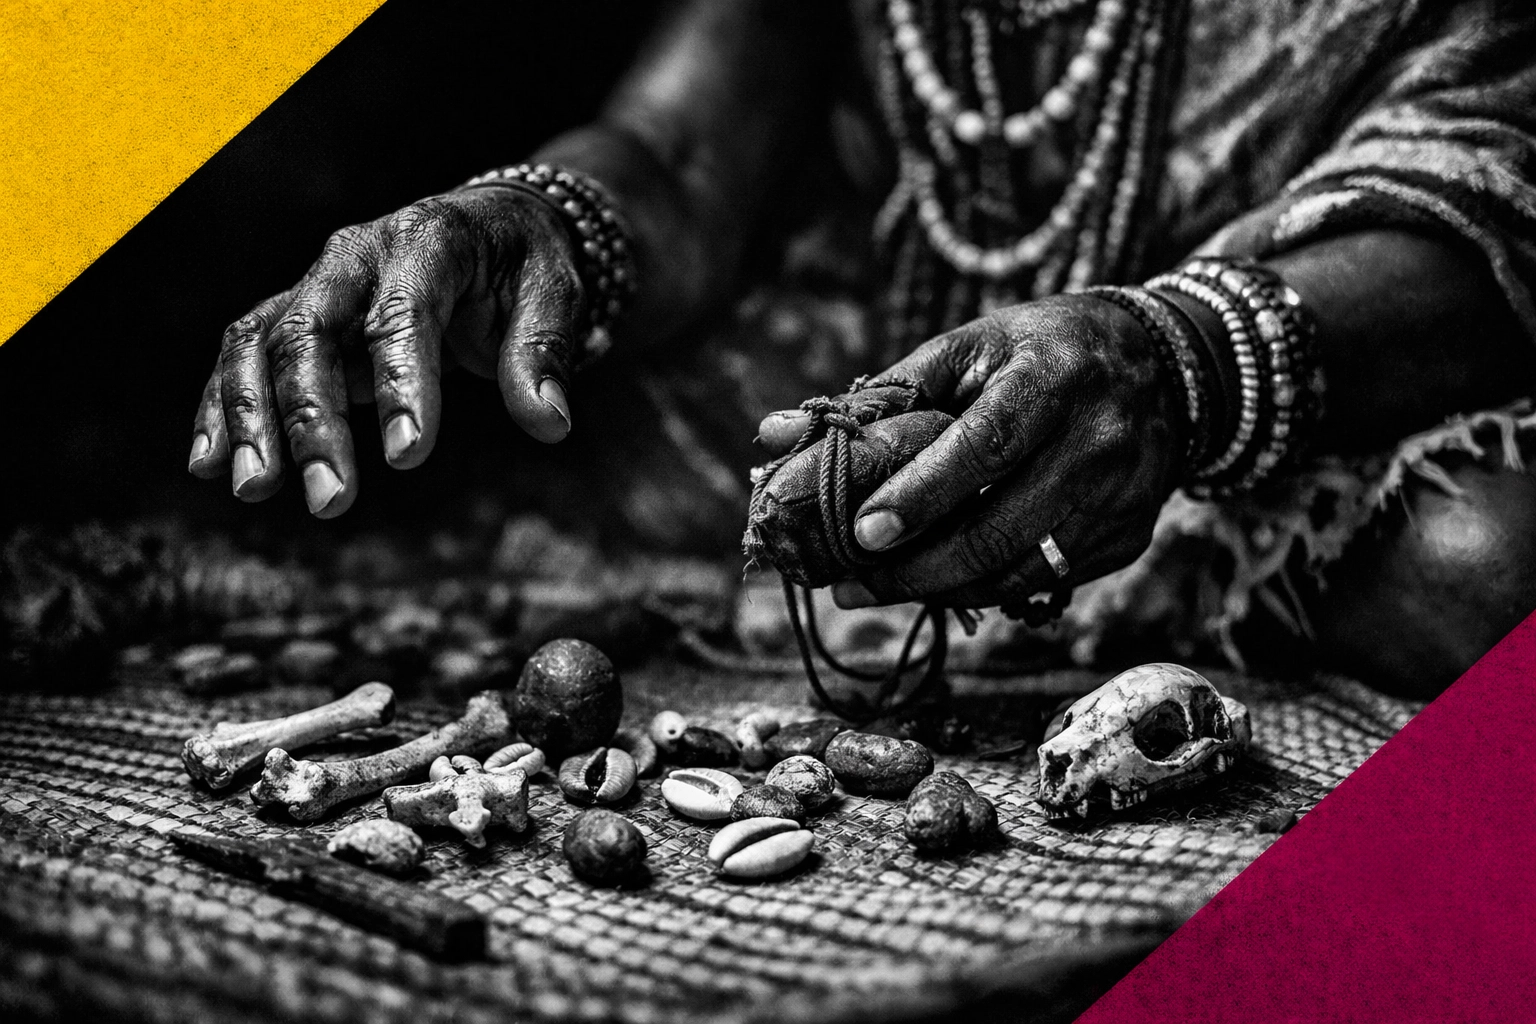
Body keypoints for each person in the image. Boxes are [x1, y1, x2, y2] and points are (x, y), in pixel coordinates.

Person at [184, 0, 1536, 696]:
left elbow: (1494, 174)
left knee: (1476, 558)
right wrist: (529, 222)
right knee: (574, 469)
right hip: (874, 354)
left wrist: (1182, 360)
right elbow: (676, 150)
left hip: (1315, 377)